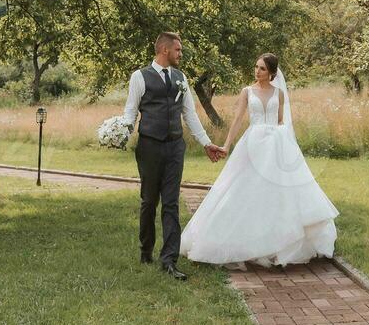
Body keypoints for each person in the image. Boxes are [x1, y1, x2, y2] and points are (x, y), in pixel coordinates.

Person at [181, 52, 338, 268]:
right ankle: (243, 241)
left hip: (275, 146)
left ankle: (277, 243)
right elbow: (237, 120)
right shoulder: (247, 91)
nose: (257, 71)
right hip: (252, 144)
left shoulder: (279, 94)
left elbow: (282, 121)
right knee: (243, 190)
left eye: (262, 68)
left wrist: (285, 143)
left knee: (277, 193)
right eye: (256, 67)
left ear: (272, 72)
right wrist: (226, 145)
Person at [119, 32, 225, 281]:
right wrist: (120, 133)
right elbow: (130, 111)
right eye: (178, 50)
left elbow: (190, 115)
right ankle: (146, 250)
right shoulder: (139, 76)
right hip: (149, 146)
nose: (181, 54)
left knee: (171, 203)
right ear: (165, 50)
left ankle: (169, 260)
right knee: (148, 201)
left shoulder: (181, 78)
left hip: (175, 147)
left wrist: (206, 143)